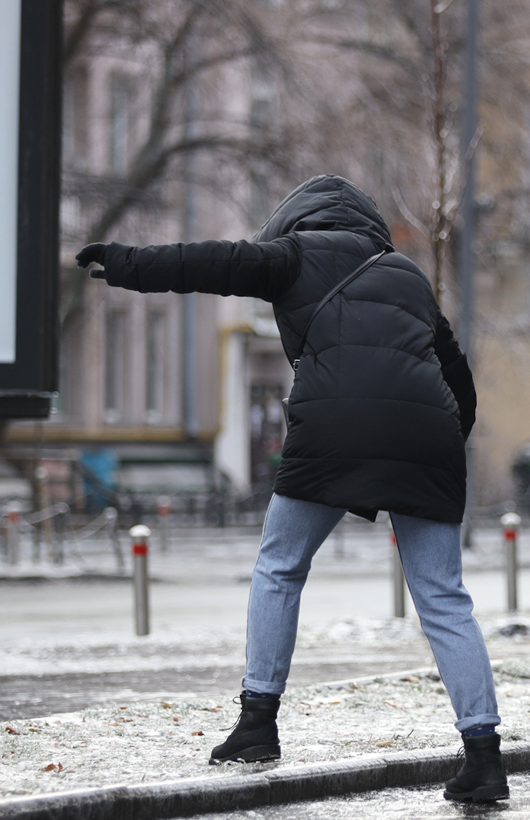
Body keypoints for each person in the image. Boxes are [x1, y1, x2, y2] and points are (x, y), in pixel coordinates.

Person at [76, 174, 507, 803]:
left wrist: (125, 264)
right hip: (428, 436)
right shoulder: (407, 274)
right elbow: (456, 372)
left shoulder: (294, 254)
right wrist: (437, 443)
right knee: (443, 597)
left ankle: (257, 724)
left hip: (334, 424)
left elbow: (213, 263)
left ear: (295, 222)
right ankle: (485, 759)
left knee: (280, 566)